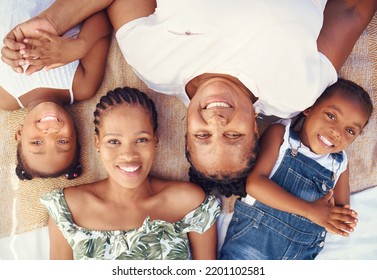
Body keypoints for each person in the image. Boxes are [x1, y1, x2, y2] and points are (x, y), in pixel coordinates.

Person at [2, 0, 376, 195]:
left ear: (183, 127)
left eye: (202, 136)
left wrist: (53, 22)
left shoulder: (154, 63)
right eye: (233, 136)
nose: (216, 123)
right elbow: (352, 10)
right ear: (256, 130)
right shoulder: (296, 92)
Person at [40, 87, 221, 260]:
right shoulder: (67, 209)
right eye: (113, 141)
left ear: (155, 139)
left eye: (141, 140)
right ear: (97, 143)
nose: (128, 155)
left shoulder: (190, 203)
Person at [219, 78, 373, 259]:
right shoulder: (282, 137)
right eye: (331, 116)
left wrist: (341, 220)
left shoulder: (339, 164)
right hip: (253, 244)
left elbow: (340, 209)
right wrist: (311, 210)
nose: (337, 132)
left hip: (300, 254)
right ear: (309, 108)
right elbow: (254, 185)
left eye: (350, 131)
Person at [0, 0, 112, 180]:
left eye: (37, 142)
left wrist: (8, 51)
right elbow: (102, 16)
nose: (50, 132)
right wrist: (80, 46)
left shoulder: (4, 97)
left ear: (19, 133)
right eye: (62, 141)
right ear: (75, 132)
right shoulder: (82, 85)